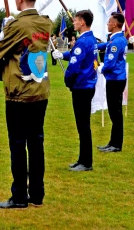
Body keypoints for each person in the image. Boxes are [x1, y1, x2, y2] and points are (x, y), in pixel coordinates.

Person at [0, 0, 50, 209]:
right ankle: (37, 194)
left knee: (17, 144)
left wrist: (5, 76)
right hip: (40, 90)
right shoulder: (45, 23)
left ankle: (19, 196)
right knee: (37, 143)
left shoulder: (16, 25)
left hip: (19, 93)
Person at [53, 10, 97, 171]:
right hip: (88, 84)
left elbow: (73, 67)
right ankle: (82, 159)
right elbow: (76, 56)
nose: (74, 23)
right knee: (82, 125)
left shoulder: (82, 41)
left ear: (83, 22)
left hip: (81, 87)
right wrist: (62, 55)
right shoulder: (91, 39)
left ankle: (86, 162)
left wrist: (68, 81)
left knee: (83, 126)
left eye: (76, 20)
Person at [96, 12, 127, 153]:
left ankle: (116, 144)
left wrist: (100, 68)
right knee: (114, 112)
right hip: (116, 79)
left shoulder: (116, 42)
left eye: (109, 22)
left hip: (115, 79)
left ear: (114, 24)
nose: (107, 24)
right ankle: (113, 142)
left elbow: (110, 62)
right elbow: (104, 46)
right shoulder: (116, 39)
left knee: (115, 112)